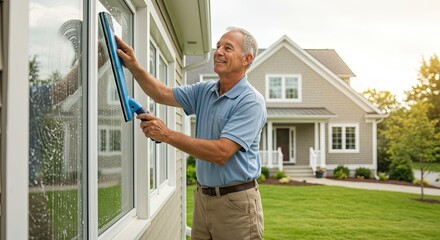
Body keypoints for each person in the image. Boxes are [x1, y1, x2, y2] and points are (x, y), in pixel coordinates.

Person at [116, 27, 267, 240]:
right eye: (218, 46)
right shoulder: (205, 91)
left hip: (236, 204)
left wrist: (166, 134)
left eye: (228, 48)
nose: (218, 52)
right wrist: (133, 65)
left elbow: (222, 152)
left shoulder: (250, 102)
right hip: (203, 198)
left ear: (247, 59)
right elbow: (161, 93)